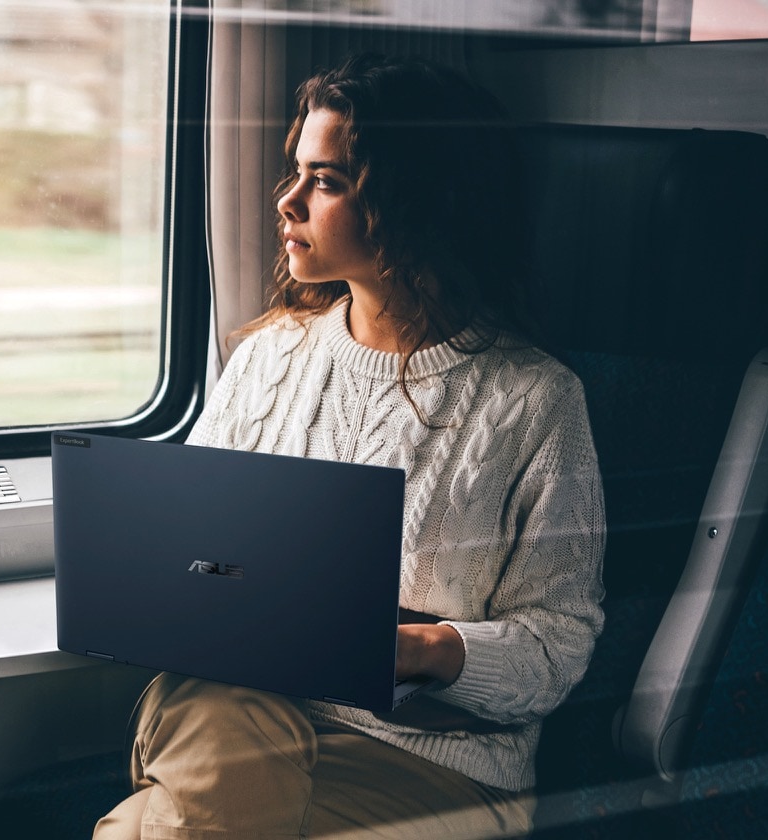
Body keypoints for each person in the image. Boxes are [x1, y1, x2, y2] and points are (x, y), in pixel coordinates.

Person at [92, 53, 606, 839]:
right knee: (210, 699)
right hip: (241, 718)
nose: (286, 200)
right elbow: (178, 552)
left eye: (325, 181)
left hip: (433, 765)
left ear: (418, 203)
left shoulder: (533, 400)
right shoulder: (268, 359)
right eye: (296, 172)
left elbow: (559, 651)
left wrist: (420, 650)